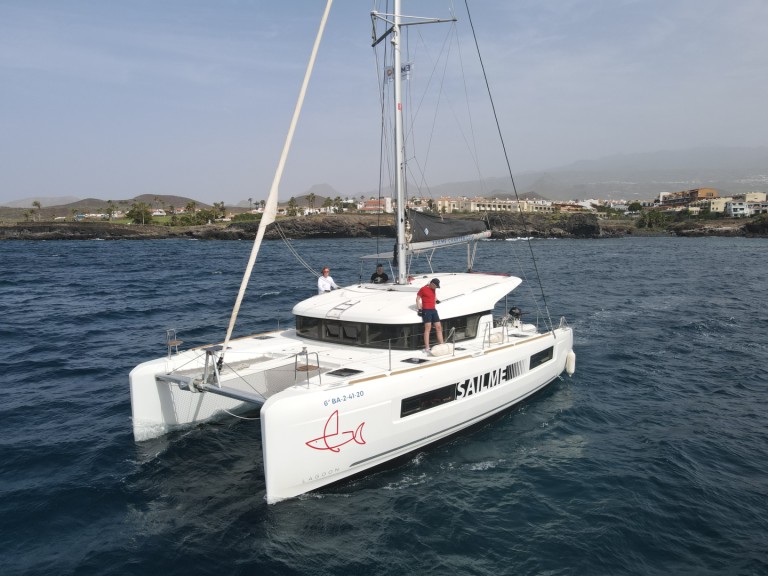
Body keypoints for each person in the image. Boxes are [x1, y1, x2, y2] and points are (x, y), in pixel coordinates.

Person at [416, 278, 443, 354]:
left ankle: (442, 344)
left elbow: (433, 296)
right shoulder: (423, 289)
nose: (436, 288)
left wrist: (437, 300)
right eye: (435, 286)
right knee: (428, 327)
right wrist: (419, 310)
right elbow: (417, 299)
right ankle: (427, 348)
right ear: (431, 283)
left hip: (433, 310)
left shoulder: (434, 289)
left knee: (438, 327)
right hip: (426, 310)